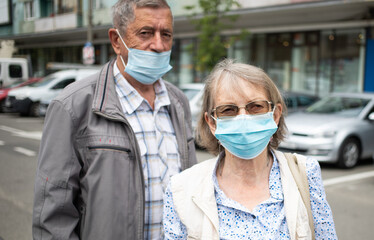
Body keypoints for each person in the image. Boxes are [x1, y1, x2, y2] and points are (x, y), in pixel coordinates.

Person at [32, 0, 197, 239]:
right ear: (116, 40)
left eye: (166, 34)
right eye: (145, 33)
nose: (159, 45)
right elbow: (54, 216)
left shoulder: (178, 102)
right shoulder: (73, 105)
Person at [163, 59, 337, 239]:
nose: (243, 118)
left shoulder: (305, 173)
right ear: (211, 123)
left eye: (256, 107)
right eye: (228, 110)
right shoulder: (181, 190)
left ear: (275, 115)